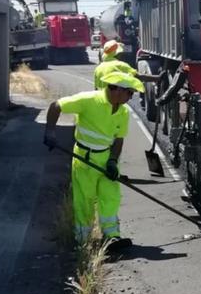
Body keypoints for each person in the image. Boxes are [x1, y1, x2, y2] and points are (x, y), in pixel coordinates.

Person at [43, 71, 145, 249]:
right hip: (84, 159)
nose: (131, 97)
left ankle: (112, 236)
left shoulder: (122, 111)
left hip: (106, 159)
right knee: (85, 200)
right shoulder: (89, 100)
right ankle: (83, 240)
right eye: (130, 93)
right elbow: (56, 106)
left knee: (110, 197)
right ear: (118, 91)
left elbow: (119, 139)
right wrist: (50, 132)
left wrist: (113, 161)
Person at [94, 40, 159, 90]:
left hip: (100, 101)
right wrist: (158, 78)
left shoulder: (98, 68)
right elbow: (139, 77)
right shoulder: (120, 65)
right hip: (114, 101)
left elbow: (96, 88)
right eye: (121, 53)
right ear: (117, 54)